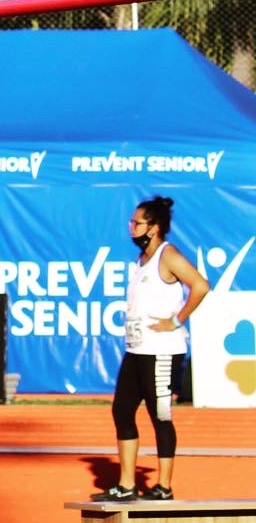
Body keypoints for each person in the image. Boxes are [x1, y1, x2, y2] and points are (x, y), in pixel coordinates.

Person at [93, 196, 209, 502]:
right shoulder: (141, 260)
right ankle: (127, 484)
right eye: (131, 222)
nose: (131, 227)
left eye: (137, 222)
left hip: (160, 351)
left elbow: (200, 285)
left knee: (160, 415)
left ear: (154, 227)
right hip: (137, 350)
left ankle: (164, 486)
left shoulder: (167, 255)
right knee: (121, 410)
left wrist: (176, 320)